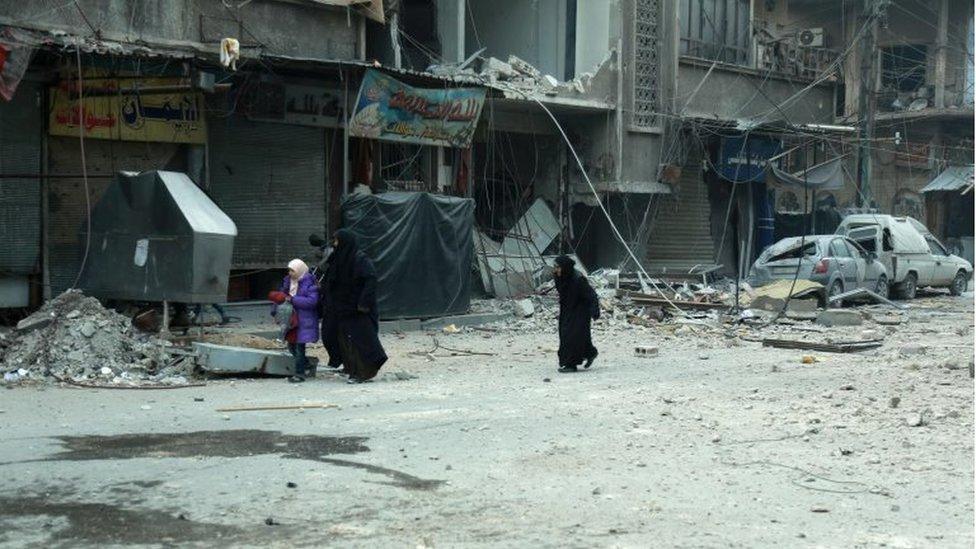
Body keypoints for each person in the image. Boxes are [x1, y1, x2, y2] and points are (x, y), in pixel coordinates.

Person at [323, 229, 388, 384]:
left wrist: (363, 303)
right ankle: (351, 369)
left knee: (361, 342)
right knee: (343, 341)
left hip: (358, 309)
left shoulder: (360, 259)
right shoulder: (338, 259)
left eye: (337, 240)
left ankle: (363, 372)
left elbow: (370, 280)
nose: (335, 244)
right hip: (341, 309)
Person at [273, 259, 319, 383]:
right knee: (291, 346)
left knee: (299, 347)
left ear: (300, 270)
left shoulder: (310, 284)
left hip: (304, 320)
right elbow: (281, 296)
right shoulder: (288, 282)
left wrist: (293, 299)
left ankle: (300, 374)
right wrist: (275, 309)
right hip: (290, 320)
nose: (289, 273)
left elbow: (311, 302)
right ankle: (307, 365)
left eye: (292, 270)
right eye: (289, 270)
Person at [553, 255, 600, 373]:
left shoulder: (578, 279)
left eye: (558, 267)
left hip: (580, 311)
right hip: (567, 309)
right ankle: (590, 353)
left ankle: (571, 364)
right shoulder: (560, 277)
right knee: (571, 335)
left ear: (565, 267)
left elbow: (592, 295)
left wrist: (595, 311)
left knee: (571, 336)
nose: (556, 270)